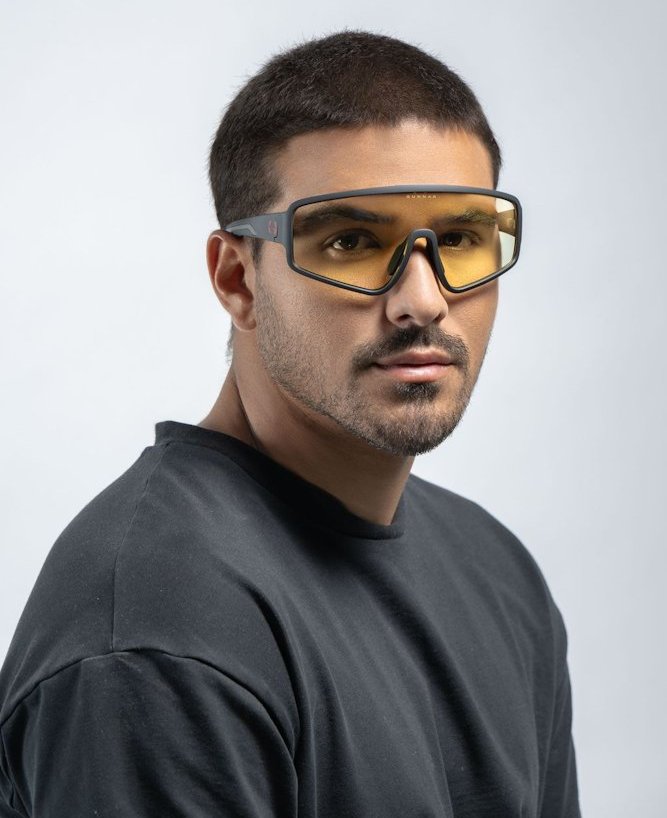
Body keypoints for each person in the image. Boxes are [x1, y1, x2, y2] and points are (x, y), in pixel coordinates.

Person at [0, 30, 581, 818]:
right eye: (350, 241)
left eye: (458, 239)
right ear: (237, 278)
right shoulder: (155, 635)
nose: (423, 299)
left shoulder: (497, 573)